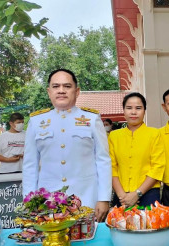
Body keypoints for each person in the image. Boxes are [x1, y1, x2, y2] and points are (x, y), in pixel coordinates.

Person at [22, 69, 112, 221]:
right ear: (49, 91)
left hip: (86, 198)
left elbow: (103, 160)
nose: (61, 91)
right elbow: (30, 165)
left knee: (88, 241)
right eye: (56, 86)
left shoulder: (91, 119)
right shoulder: (36, 122)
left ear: (77, 91)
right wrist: (30, 201)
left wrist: (103, 198)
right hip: (48, 201)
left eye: (67, 86)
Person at [109, 92, 165, 207]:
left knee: (149, 225)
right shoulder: (114, 136)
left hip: (148, 193)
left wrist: (137, 193)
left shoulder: (155, 134)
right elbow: (111, 167)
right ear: (123, 110)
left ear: (144, 110)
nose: (133, 112)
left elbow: (157, 167)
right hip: (121, 195)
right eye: (129, 108)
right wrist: (122, 196)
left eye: (138, 108)